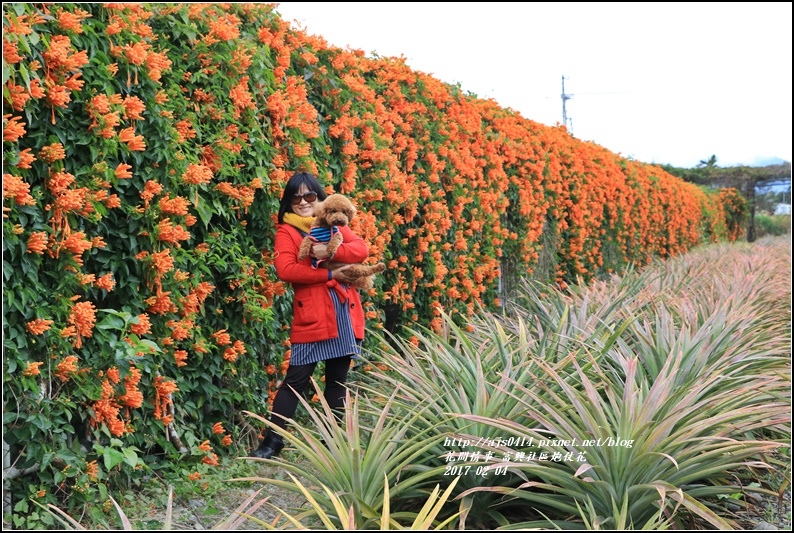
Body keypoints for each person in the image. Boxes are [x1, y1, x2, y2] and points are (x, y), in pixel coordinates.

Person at [250, 172, 368, 459]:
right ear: (288, 203)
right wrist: (331, 272)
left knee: (337, 380)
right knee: (297, 378)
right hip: (313, 314)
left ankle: (333, 444)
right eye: (296, 197)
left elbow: (361, 249)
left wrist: (329, 251)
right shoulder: (286, 232)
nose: (303, 202)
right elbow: (286, 270)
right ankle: (272, 442)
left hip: (343, 310)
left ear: (321, 199)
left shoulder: (333, 224)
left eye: (310, 196)